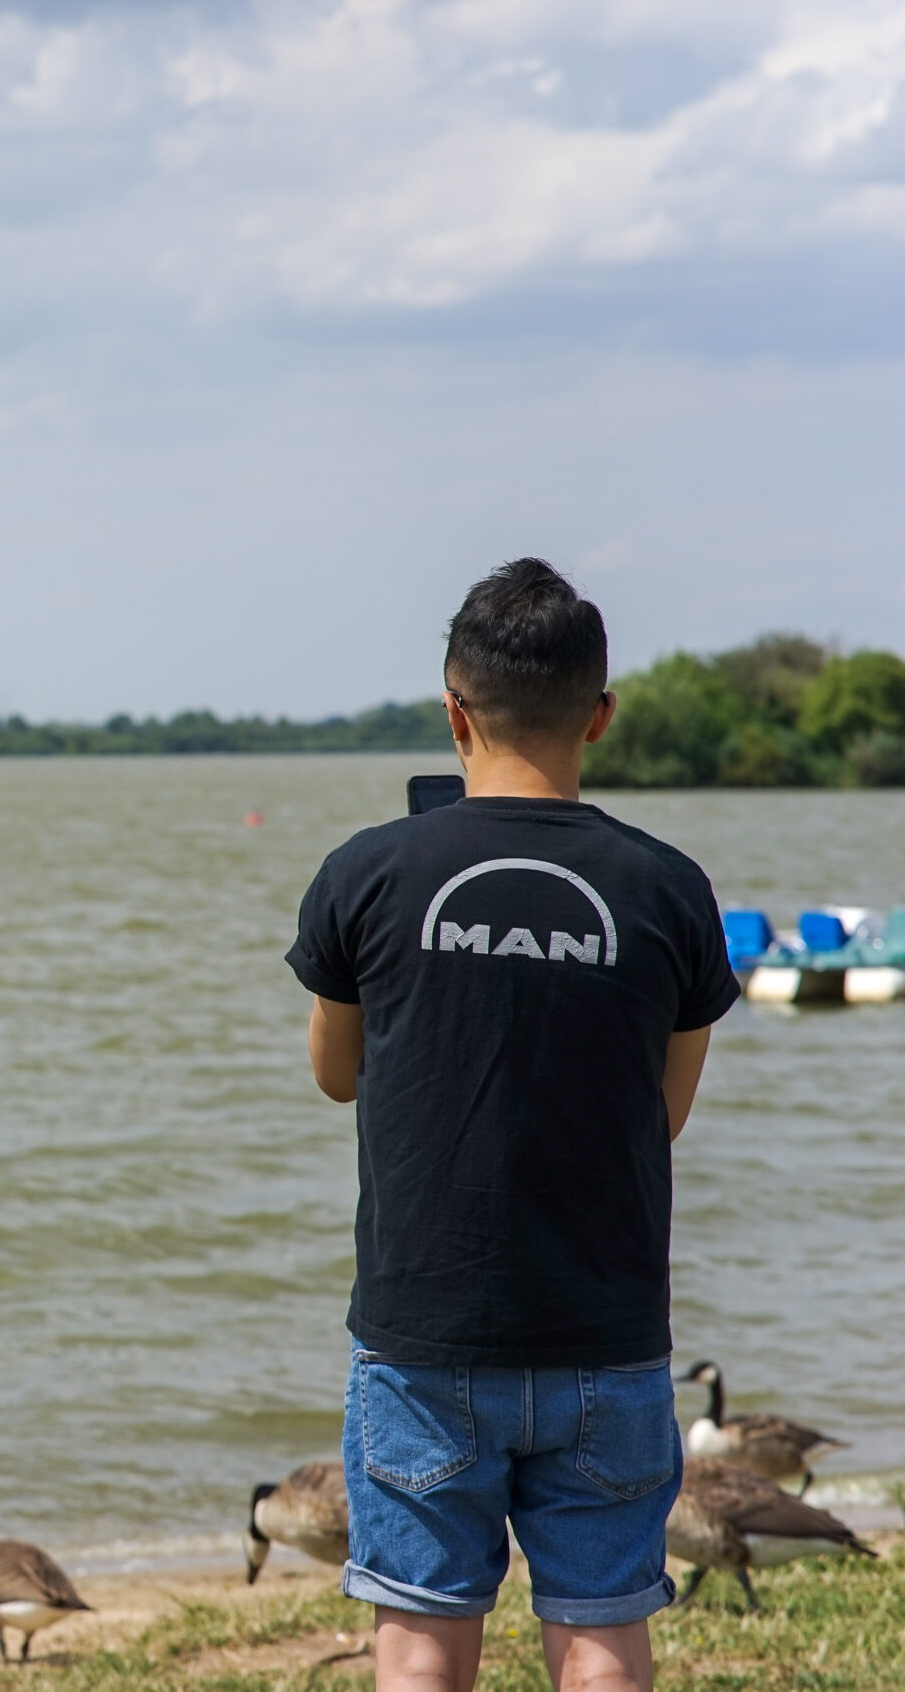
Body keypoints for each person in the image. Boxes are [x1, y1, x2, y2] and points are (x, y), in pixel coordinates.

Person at [286, 560, 741, 1692]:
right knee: (600, 1639)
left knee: (423, 1645)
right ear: (600, 715)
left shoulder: (366, 873)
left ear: (451, 708)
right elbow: (664, 1112)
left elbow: (334, 1075)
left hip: (423, 1336)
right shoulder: (668, 888)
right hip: (609, 1332)